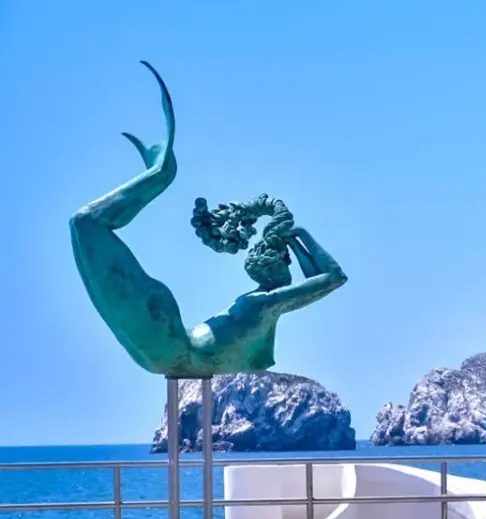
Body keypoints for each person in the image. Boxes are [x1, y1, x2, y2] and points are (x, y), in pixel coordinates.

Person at [69, 61, 348, 379]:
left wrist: (297, 235)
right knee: (83, 225)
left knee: (84, 224)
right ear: (279, 266)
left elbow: (329, 279)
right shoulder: (263, 304)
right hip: (170, 348)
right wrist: (297, 236)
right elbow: (328, 277)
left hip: (171, 349)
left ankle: (160, 174)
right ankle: (160, 173)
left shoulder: (261, 303)